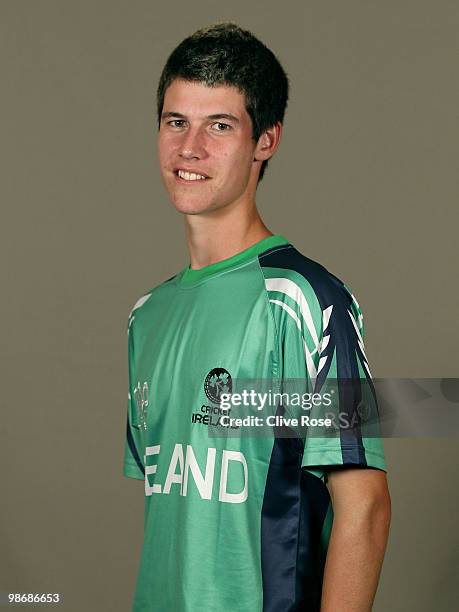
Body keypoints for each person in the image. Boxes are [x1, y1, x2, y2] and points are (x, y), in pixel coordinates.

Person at [123, 22, 391, 612]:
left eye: (220, 125)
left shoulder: (303, 299)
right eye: (176, 122)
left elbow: (364, 507)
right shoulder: (147, 316)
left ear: (265, 140)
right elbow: (183, 506)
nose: (189, 149)